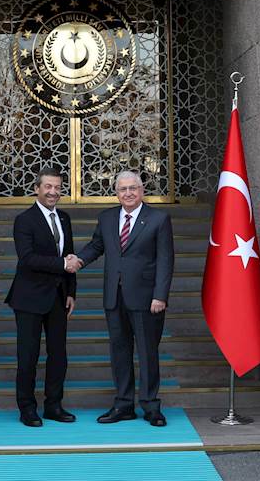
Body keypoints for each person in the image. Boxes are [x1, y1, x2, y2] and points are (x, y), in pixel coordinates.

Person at [71, 170, 174, 427]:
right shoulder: (106, 218)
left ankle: (151, 406)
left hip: (147, 299)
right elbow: (97, 246)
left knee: (148, 353)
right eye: (122, 189)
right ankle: (124, 404)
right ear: (116, 193)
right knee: (119, 352)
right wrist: (79, 260)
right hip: (114, 297)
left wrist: (160, 295)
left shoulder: (158, 219)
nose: (128, 193)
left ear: (142, 190)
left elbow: (165, 260)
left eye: (133, 188)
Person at [5, 166, 78, 427]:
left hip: (58, 298)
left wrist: (71, 292)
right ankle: (27, 408)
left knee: (58, 355)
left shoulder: (65, 218)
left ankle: (53, 406)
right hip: (29, 298)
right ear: (37, 188)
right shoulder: (24, 220)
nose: (53, 192)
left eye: (57, 187)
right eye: (48, 186)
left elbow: (69, 255)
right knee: (28, 356)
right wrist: (61, 265)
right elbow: (28, 259)